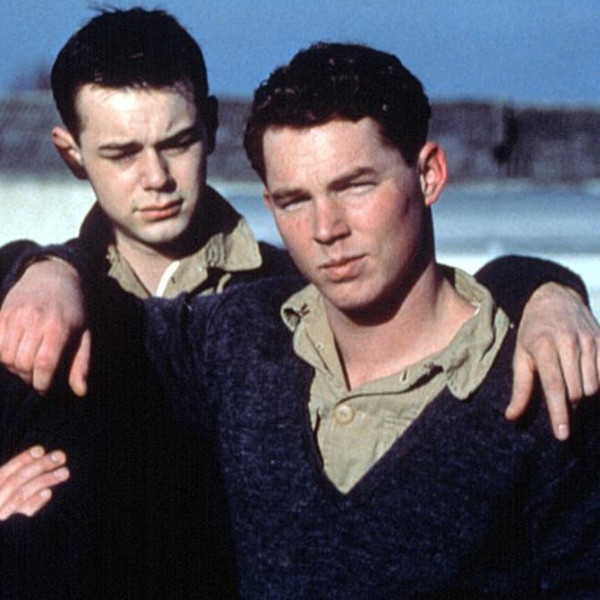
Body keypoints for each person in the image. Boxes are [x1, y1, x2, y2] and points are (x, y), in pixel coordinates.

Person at [2, 42, 599, 597]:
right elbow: (83, 338)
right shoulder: (239, 335)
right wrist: (49, 268)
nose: (325, 229)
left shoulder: (546, 386)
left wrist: (547, 289)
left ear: (428, 175)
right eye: (294, 201)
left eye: (355, 187)